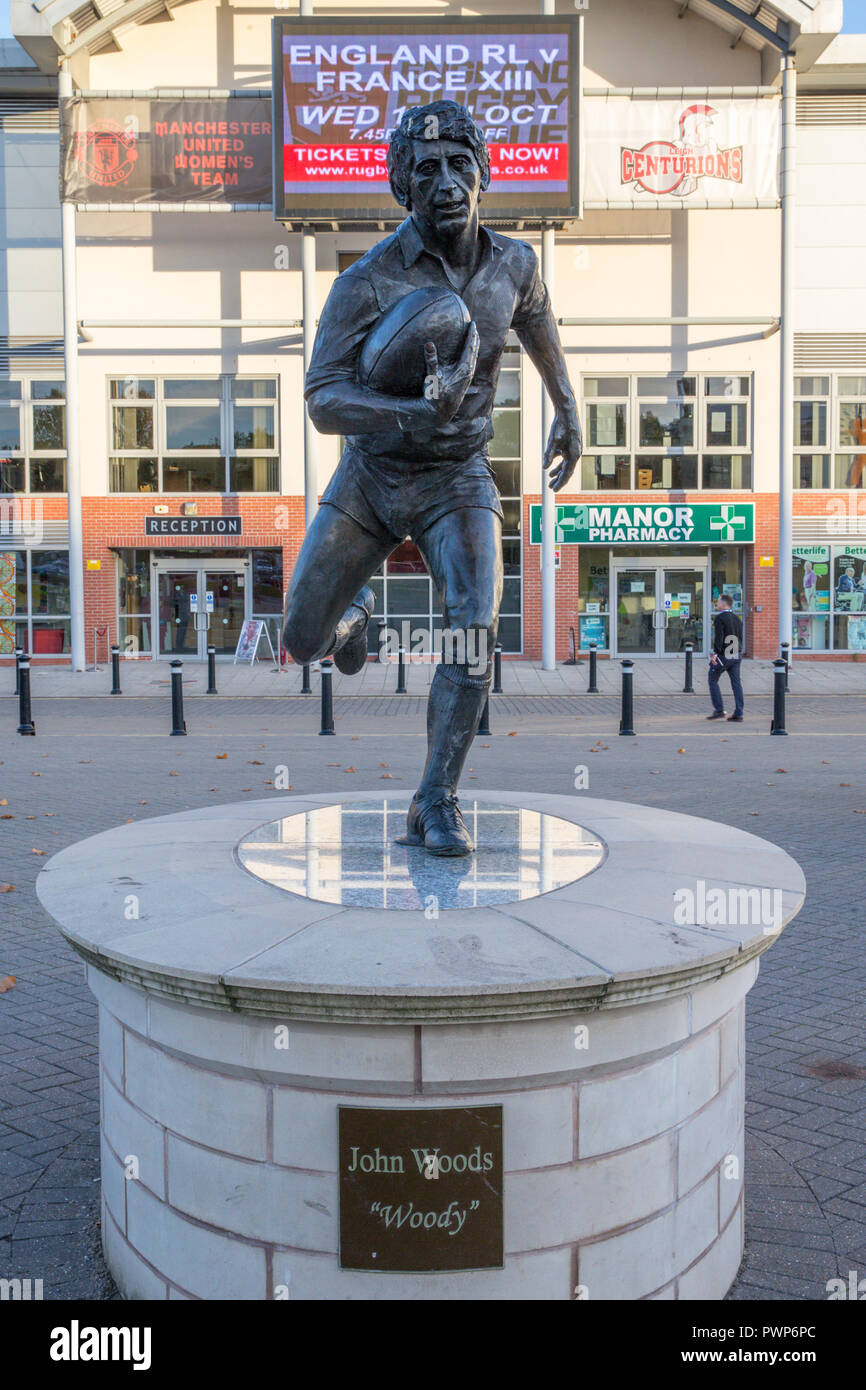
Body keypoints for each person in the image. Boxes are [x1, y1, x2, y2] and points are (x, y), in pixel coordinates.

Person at [282, 100, 582, 855]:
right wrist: (407, 414)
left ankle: (435, 797)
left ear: (484, 171)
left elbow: (537, 319)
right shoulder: (366, 281)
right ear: (402, 190)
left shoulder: (514, 263)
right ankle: (355, 624)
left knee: (473, 625)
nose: (446, 182)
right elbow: (322, 398)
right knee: (300, 637)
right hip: (374, 476)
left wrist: (567, 406)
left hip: (458, 476)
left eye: (458, 164)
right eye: (426, 170)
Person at [706, 593, 744, 723]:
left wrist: (715, 653)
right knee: (736, 683)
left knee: (712, 679)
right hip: (736, 652)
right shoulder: (736, 618)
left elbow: (719, 637)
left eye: (718, 601)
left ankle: (719, 710)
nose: (716, 603)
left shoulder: (720, 618)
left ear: (723, 604)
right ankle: (739, 713)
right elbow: (739, 636)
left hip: (725, 653)